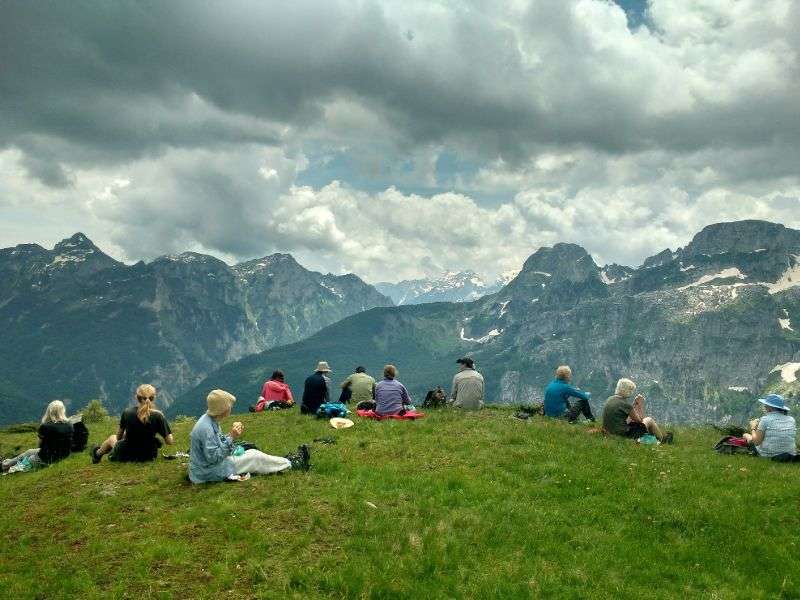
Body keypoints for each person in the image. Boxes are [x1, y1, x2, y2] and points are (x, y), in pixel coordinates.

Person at [188, 389, 309, 484]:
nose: (231, 408)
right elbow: (214, 458)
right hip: (207, 473)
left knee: (251, 451)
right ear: (222, 408)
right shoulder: (206, 428)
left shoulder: (209, 420)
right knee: (254, 457)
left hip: (204, 469)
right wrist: (232, 437)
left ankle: (283, 461)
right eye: (229, 406)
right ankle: (291, 463)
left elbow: (216, 444)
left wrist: (230, 436)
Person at [90, 384, 175, 463]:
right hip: (149, 456)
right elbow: (170, 441)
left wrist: (129, 434)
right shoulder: (158, 415)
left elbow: (118, 437)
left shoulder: (127, 412)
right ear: (154, 398)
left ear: (137, 397)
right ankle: (97, 452)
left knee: (112, 438)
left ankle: (97, 454)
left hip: (125, 455)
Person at [2, 400, 73, 473]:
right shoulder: (69, 424)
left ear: (49, 411)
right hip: (64, 455)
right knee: (29, 451)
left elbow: (40, 445)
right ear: (62, 411)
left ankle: (5, 467)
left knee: (28, 460)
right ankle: (6, 463)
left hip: (46, 459)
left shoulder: (45, 426)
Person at [601, 378, 672, 443]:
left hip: (609, 433)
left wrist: (634, 405)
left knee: (632, 422)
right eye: (631, 390)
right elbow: (640, 420)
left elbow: (624, 415)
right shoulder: (625, 404)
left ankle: (656, 437)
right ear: (627, 391)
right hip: (624, 435)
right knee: (649, 420)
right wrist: (640, 404)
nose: (632, 393)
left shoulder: (610, 399)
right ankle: (662, 440)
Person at [743, 394, 796, 458]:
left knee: (746, 435)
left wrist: (753, 428)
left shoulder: (765, 419)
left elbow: (756, 442)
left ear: (770, 407)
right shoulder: (791, 419)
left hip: (769, 455)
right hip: (790, 454)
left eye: (766, 405)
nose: (764, 407)